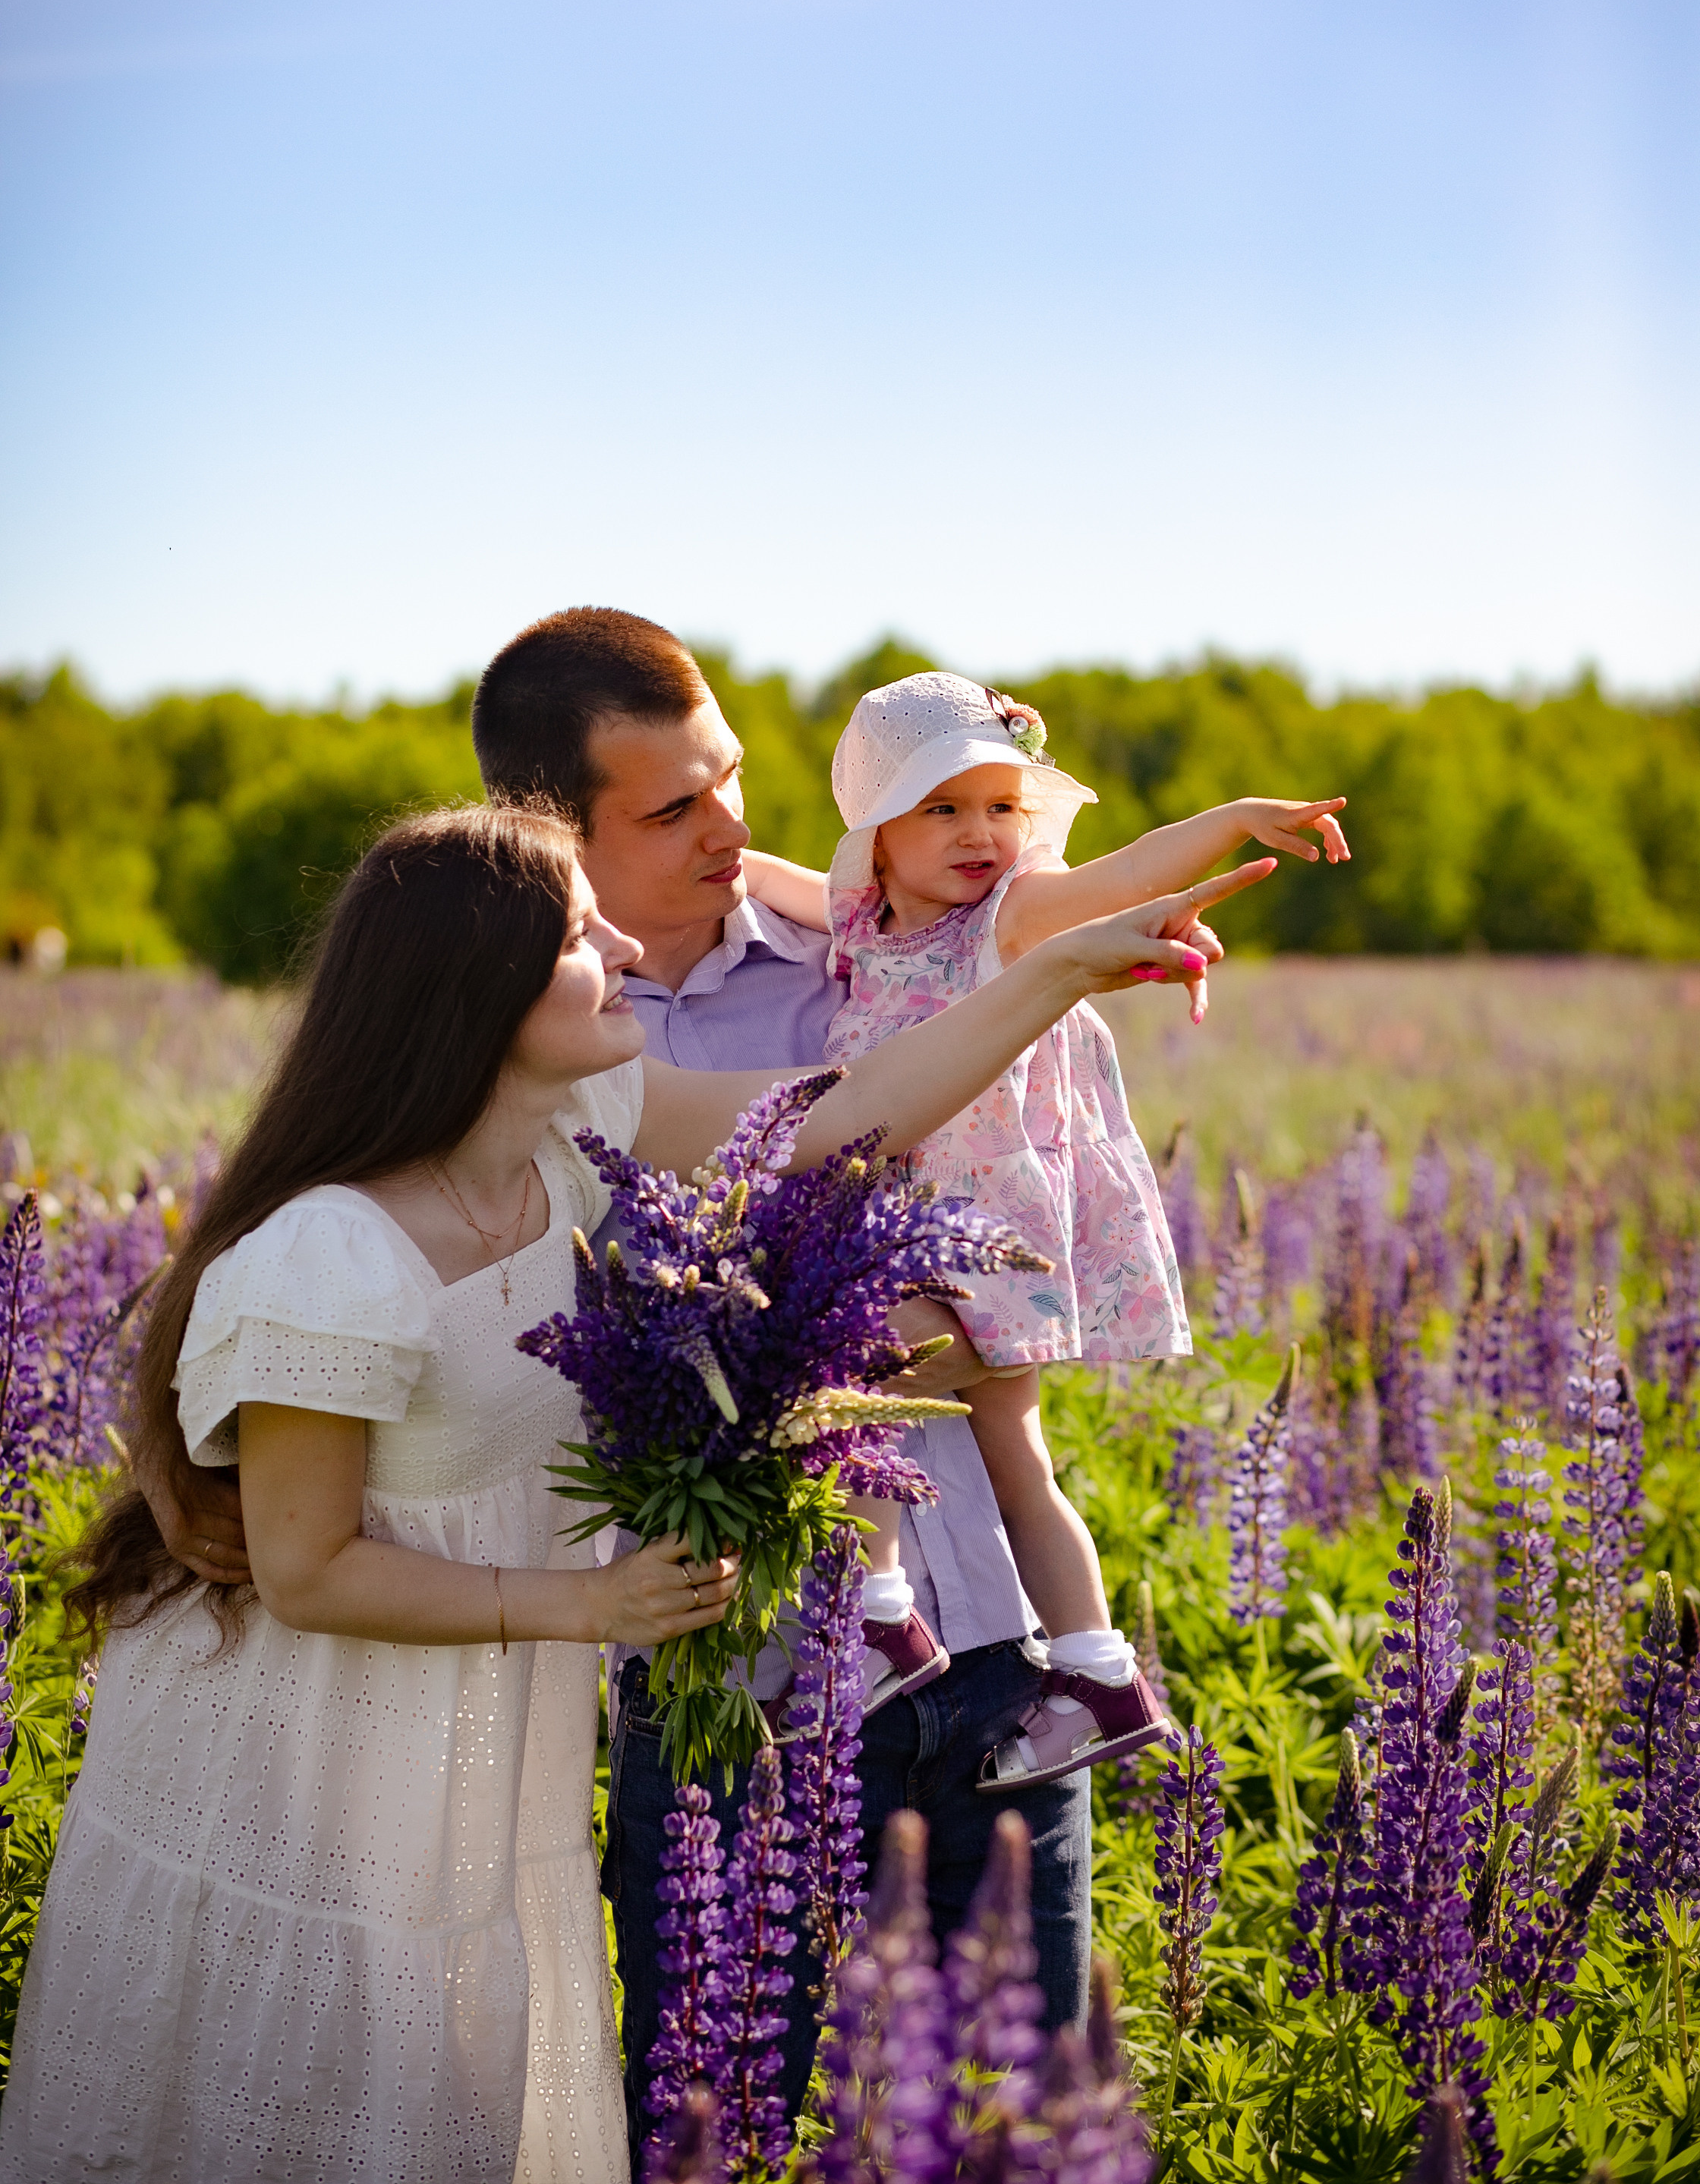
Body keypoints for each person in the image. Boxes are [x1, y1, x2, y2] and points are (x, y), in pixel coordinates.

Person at [5, 799, 1229, 2184]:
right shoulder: (327, 1257)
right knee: (312, 2088)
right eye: (583, 934)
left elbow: (835, 1117)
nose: (625, 943)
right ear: (480, 991)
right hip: (311, 1751)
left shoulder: (571, 1129)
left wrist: (1061, 968)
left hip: (481, 1733)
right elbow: (307, 1568)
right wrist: (591, 1601)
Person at [467, 608, 1261, 2171]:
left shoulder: (872, 938)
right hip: (722, 1675)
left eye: (735, 781)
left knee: (1025, 2111)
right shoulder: (527, 1041)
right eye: (673, 807)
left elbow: (1011, 1150)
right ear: (552, 836)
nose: (733, 828)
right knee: (719, 2109)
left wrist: (970, 1339)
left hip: (977, 1641)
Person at [742, 669, 1348, 1789]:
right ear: (874, 836)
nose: (983, 833)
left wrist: (1222, 826)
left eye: (1003, 805)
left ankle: (875, 1617)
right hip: (927, 1234)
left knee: (845, 1336)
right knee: (1018, 1459)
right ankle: (1098, 1670)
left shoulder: (1011, 916)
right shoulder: (862, 921)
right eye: (943, 808)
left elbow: (1118, 878)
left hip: (995, 1243)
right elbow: (763, 878)